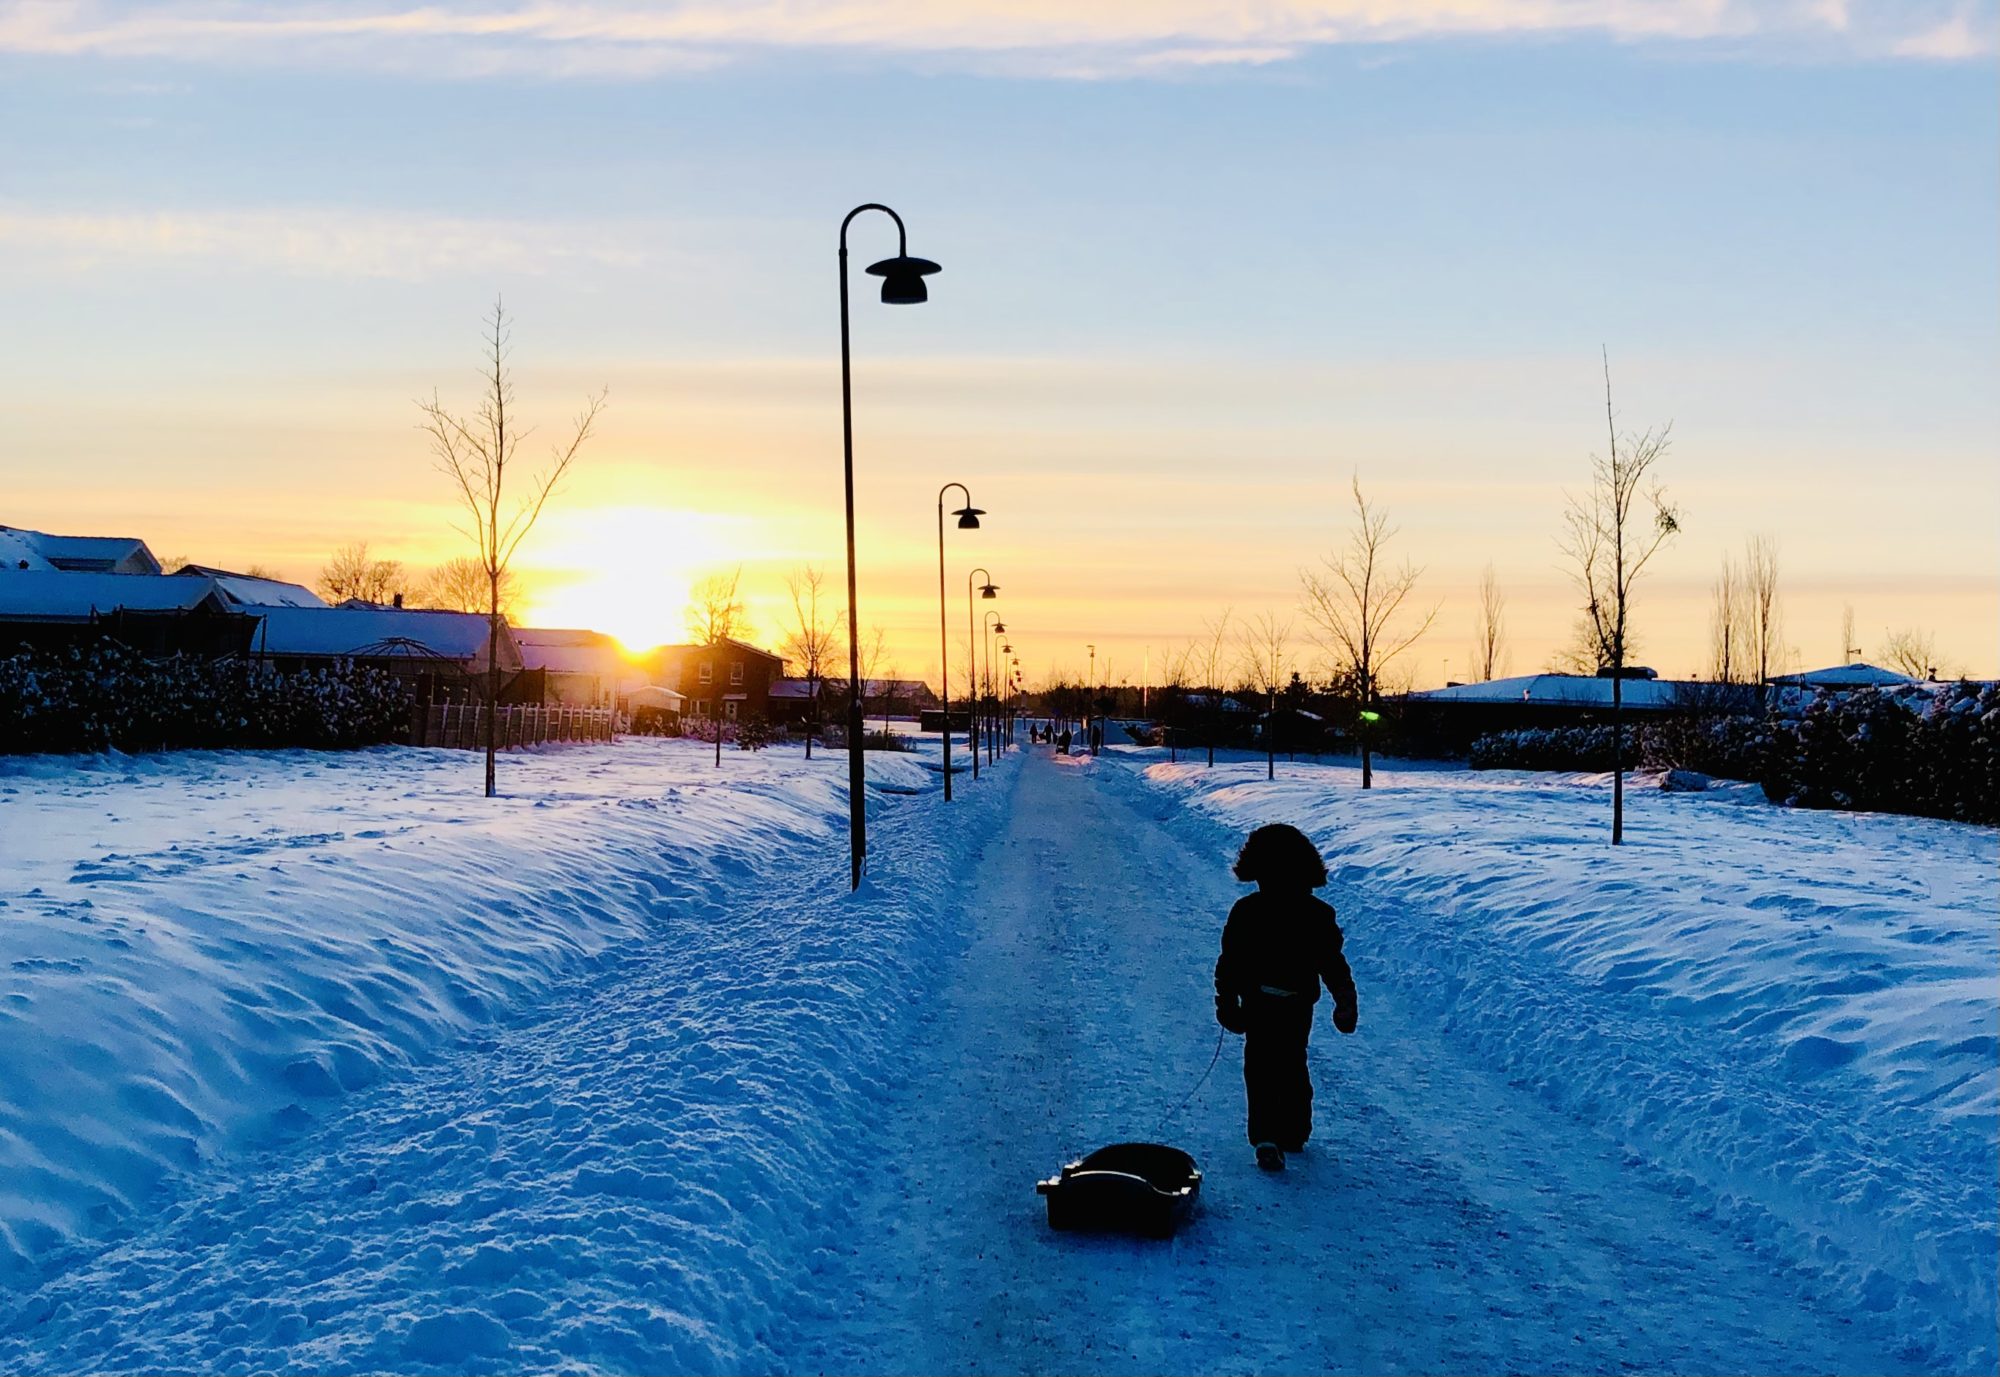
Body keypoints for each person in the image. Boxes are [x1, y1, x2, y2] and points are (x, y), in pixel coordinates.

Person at [1213, 823, 1357, 1171]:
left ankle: (1269, 1135)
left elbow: (1230, 963)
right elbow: (1332, 963)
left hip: (1264, 1002)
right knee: (1291, 1062)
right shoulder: (1315, 914)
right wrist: (1344, 999)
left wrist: (1227, 1001)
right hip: (1293, 1003)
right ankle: (1289, 1131)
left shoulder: (1248, 912)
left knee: (1263, 1066)